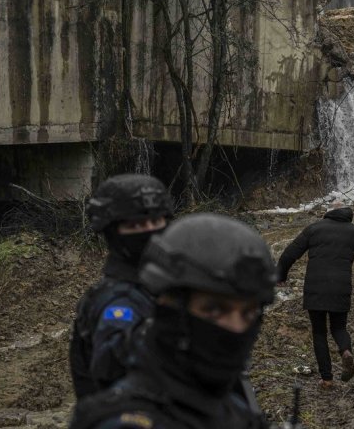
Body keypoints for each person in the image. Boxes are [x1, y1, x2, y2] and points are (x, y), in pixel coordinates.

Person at [70, 213, 277, 429]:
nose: (236, 328)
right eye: (214, 310)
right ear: (170, 306)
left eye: (248, 314)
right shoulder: (129, 421)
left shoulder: (228, 405)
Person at [69, 174, 173, 399]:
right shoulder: (118, 301)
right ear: (112, 230)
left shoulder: (159, 287)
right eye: (136, 225)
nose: (149, 231)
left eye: (156, 222)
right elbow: (117, 370)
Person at [276, 201, 354, 390]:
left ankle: (327, 379)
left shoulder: (314, 229)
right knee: (339, 328)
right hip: (340, 288)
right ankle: (346, 351)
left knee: (319, 332)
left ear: (328, 213)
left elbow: (288, 255)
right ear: (346, 213)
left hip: (315, 289)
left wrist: (281, 276)